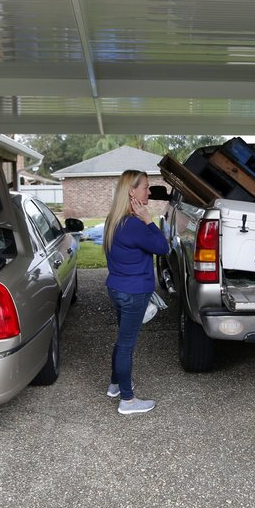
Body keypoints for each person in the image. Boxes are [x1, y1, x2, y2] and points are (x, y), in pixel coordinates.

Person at [103, 169, 169, 415]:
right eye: (146, 187)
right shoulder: (134, 225)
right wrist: (149, 220)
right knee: (126, 345)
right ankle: (128, 401)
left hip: (117, 288)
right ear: (132, 191)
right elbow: (163, 247)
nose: (149, 192)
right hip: (133, 293)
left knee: (123, 341)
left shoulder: (115, 219)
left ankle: (116, 385)